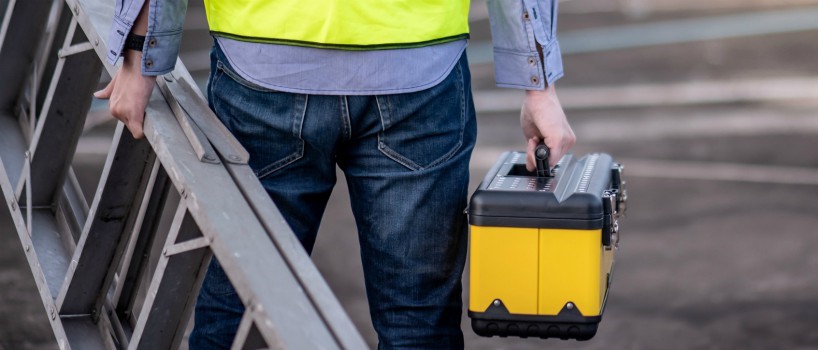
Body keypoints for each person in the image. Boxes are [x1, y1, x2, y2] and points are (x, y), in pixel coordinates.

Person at [96, 0, 574, 348]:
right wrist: (539, 86)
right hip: (418, 70)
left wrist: (142, 53)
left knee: (241, 307)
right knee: (417, 323)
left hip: (262, 67)